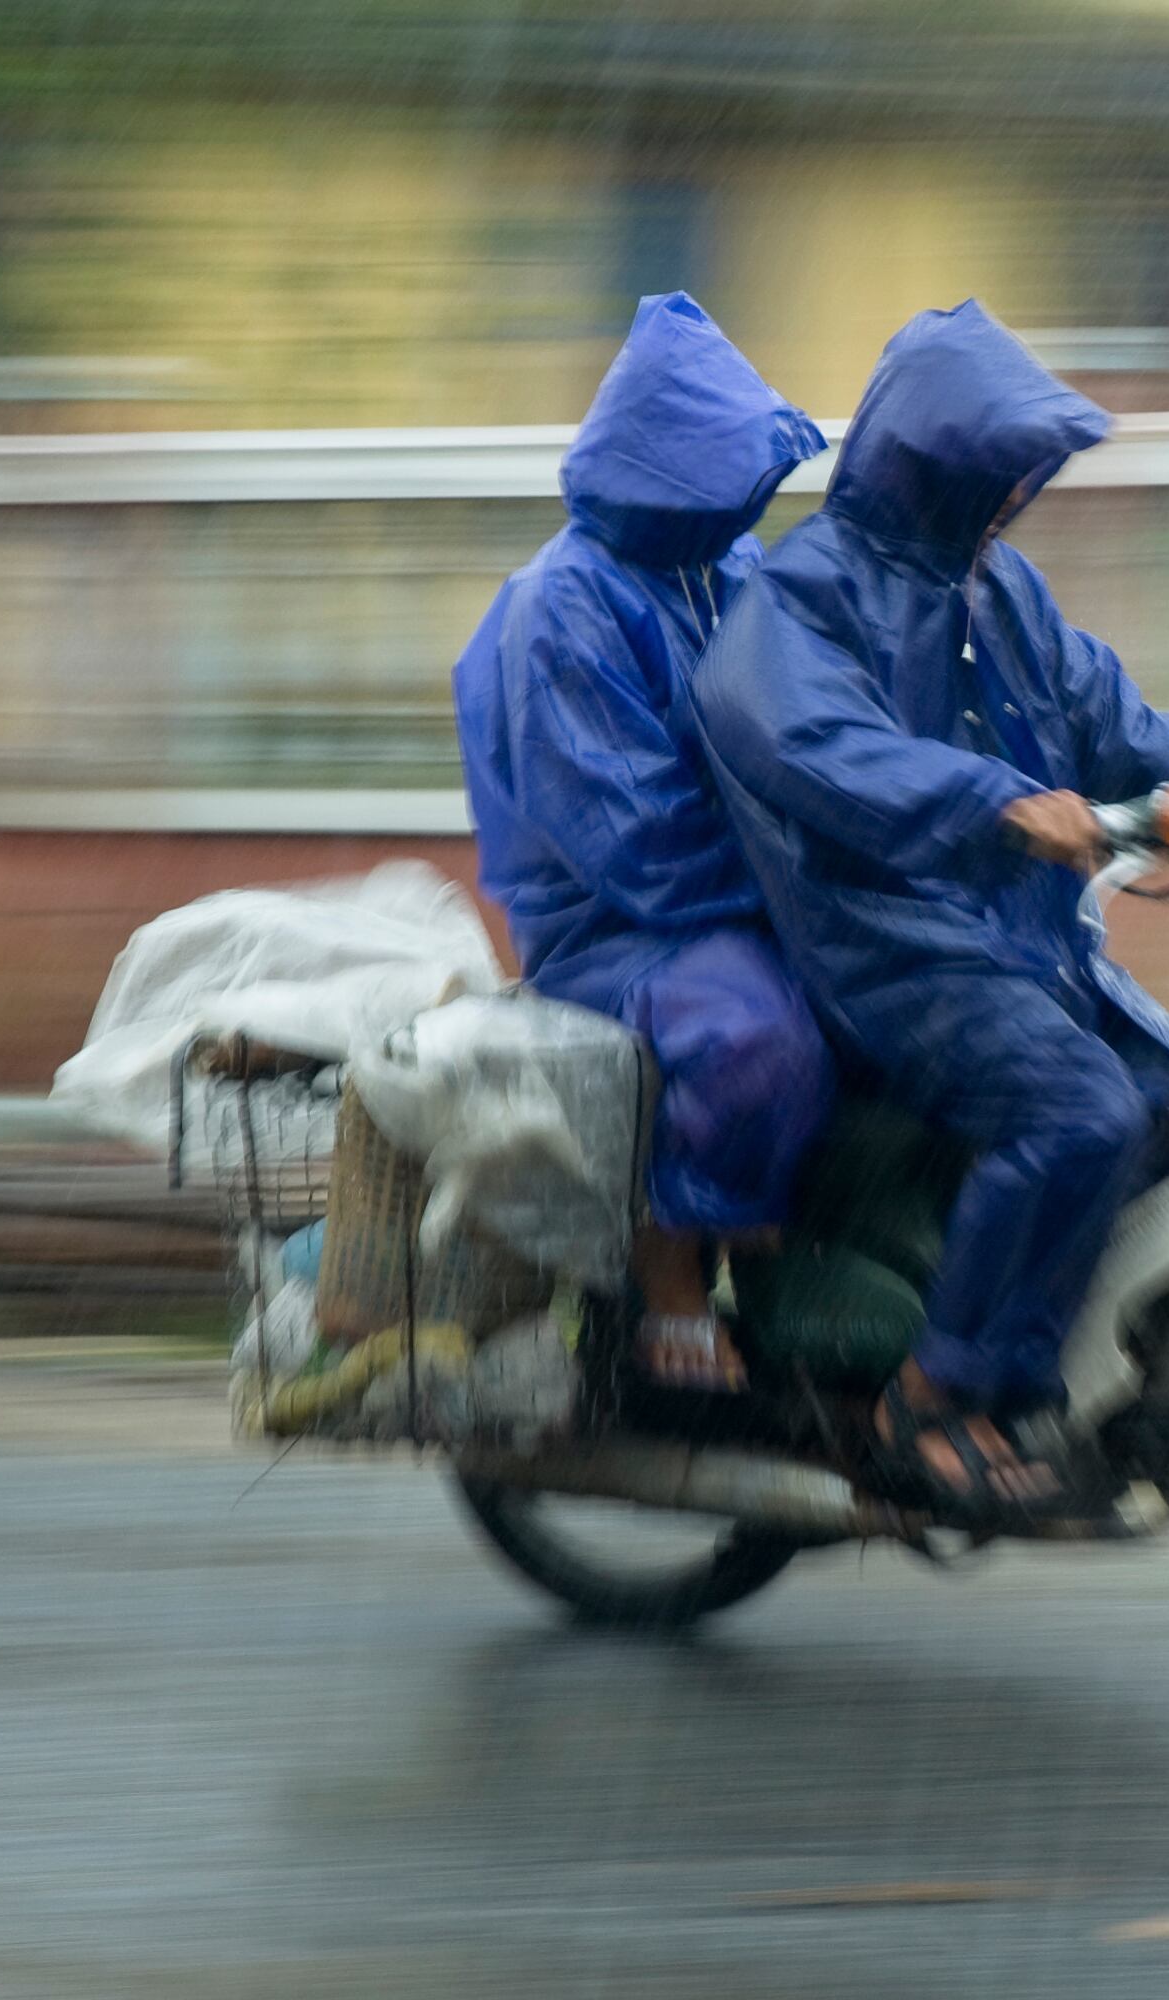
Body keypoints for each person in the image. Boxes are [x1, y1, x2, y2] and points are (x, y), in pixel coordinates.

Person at [688, 300, 1169, 1522]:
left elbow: (1126, 734)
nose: (1015, 496)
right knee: (1079, 1108)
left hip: (1029, 943)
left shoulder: (1003, 593)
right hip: (890, 943)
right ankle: (933, 1389)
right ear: (932, 466)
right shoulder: (797, 600)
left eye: (1022, 476)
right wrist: (995, 801)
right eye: (998, 472)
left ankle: (1121, 1372)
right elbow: (814, 749)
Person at [452, 291, 833, 1391]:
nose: (743, 500)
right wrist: (798, 886)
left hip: (752, 892)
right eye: (722, 475)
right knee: (757, 1037)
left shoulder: (733, 575)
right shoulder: (560, 606)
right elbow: (637, 839)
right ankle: (671, 1278)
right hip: (619, 929)